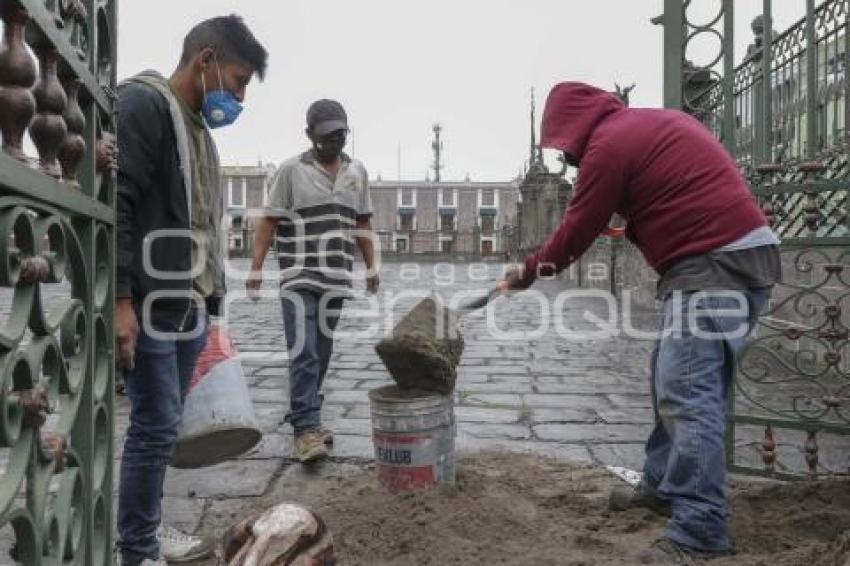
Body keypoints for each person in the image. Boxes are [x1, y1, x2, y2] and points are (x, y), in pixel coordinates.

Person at [500, 82, 779, 564]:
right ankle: (662, 486)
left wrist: (528, 272)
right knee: (666, 379)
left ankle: (700, 530)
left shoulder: (608, 143)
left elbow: (576, 229)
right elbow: (671, 193)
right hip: (728, 256)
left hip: (714, 265)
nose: (569, 161)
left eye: (566, 151)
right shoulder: (645, 124)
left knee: (688, 393)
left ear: (574, 129)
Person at [115, 15, 267, 566]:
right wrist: (121, 301)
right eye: (239, 79)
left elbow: (201, 221)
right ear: (205, 60)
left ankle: (147, 527)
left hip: (187, 304)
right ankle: (136, 548)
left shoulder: (196, 129)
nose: (240, 96)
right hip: (151, 302)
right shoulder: (145, 106)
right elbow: (118, 206)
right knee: (154, 426)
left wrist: (212, 308)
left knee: (165, 421)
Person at [248, 99, 379, 463]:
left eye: (341, 135)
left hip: (336, 278)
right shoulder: (290, 171)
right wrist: (256, 267)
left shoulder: (357, 172)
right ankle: (305, 430)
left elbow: (362, 222)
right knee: (303, 351)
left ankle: (308, 414)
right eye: (327, 136)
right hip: (298, 276)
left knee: (321, 352)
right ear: (309, 135)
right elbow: (270, 221)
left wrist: (371, 265)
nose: (335, 142)